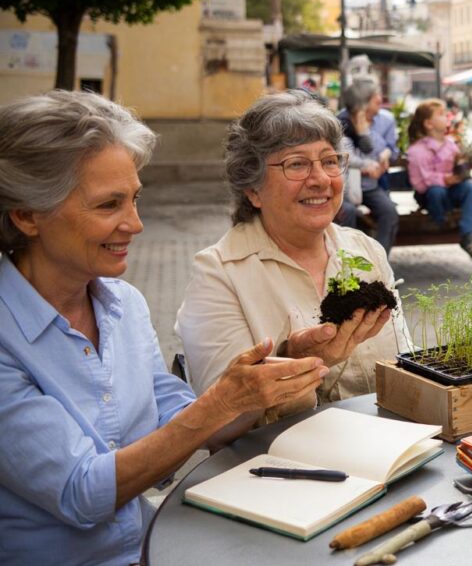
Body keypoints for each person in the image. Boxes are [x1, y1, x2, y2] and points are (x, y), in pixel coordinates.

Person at [0, 90, 328, 564]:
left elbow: (186, 420)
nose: (135, 224)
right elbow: (81, 494)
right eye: (109, 205)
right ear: (27, 215)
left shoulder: (124, 305)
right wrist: (222, 402)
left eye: (134, 199)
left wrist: (273, 378)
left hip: (153, 547)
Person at [176, 90, 409, 424]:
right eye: (296, 164)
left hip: (390, 448)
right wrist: (295, 363)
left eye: (330, 161)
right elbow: (219, 426)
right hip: (277, 465)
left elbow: (405, 366)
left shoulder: (366, 250)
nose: (320, 180)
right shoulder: (220, 274)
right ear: (253, 189)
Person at [405, 99, 472, 262]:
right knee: (437, 190)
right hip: (431, 198)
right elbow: (419, 183)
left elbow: (460, 168)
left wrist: (463, 175)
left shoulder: (451, 144)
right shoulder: (417, 150)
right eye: (441, 115)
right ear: (429, 124)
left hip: (450, 194)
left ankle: (468, 236)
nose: (447, 117)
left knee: (470, 187)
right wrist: (445, 179)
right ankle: (440, 220)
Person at [334, 76, 400, 254]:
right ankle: (350, 265)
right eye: (375, 95)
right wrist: (369, 164)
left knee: (389, 212)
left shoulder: (381, 121)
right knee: (348, 213)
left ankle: (380, 262)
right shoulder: (341, 123)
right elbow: (346, 156)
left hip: (370, 186)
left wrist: (385, 153)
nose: (380, 98)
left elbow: (383, 149)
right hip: (346, 187)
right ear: (363, 101)